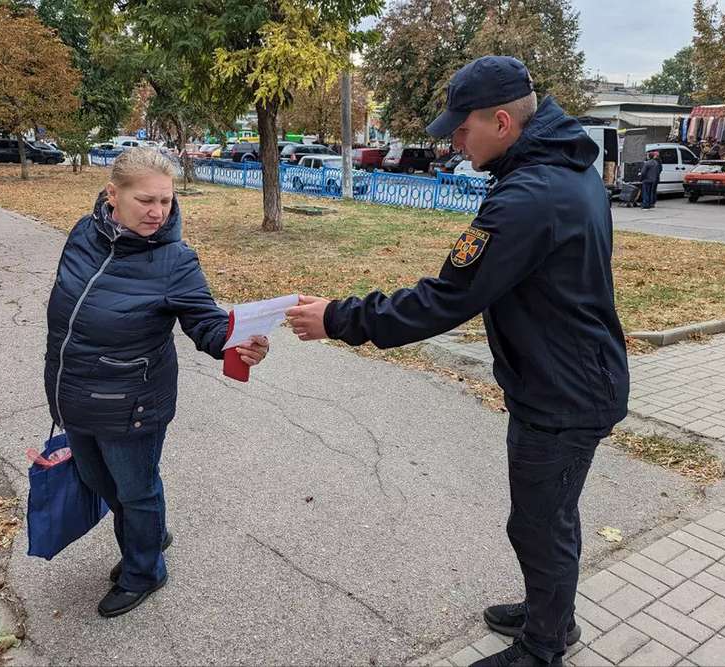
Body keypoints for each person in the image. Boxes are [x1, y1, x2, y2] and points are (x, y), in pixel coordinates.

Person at [286, 56, 629, 667]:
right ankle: (552, 611)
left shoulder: (530, 196)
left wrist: (339, 318)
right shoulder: (565, 169)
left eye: (460, 129)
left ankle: (545, 644)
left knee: (538, 524)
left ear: (502, 121)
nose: (452, 141)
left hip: (563, 391)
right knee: (549, 516)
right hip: (571, 377)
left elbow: (446, 298)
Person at [44, 147, 270, 618]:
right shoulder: (84, 233)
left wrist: (236, 343)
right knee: (99, 480)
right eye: (146, 200)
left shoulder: (174, 260)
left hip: (132, 403)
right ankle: (148, 532)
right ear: (112, 195)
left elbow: (206, 323)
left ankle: (145, 569)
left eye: (165, 201)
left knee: (135, 490)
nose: (158, 212)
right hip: (72, 390)